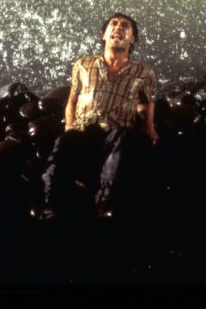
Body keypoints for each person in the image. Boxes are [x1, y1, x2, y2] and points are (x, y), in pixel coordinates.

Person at [40, 12, 159, 220]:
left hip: (116, 131)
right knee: (63, 147)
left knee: (124, 141)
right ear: (104, 35)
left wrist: (149, 127)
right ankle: (52, 208)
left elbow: (147, 102)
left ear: (132, 39)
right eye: (113, 24)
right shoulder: (83, 64)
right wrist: (69, 127)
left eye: (125, 25)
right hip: (84, 128)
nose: (118, 27)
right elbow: (72, 100)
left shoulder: (143, 72)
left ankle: (104, 204)